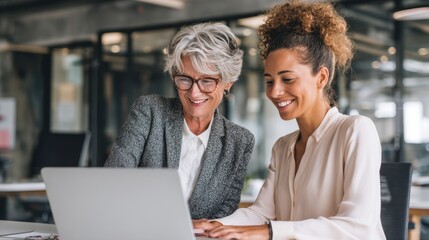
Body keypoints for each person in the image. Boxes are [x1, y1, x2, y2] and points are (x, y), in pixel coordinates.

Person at [193, 0, 386, 239]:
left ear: (321, 77)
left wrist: (270, 231)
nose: (274, 92)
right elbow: (262, 213)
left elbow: (357, 226)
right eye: (269, 81)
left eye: (287, 79)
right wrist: (209, 225)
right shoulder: (283, 147)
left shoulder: (355, 131)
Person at [104, 22, 255, 220]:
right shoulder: (150, 112)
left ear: (228, 83)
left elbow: (224, 216)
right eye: (184, 79)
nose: (194, 92)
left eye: (207, 81)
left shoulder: (239, 141)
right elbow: (113, 179)